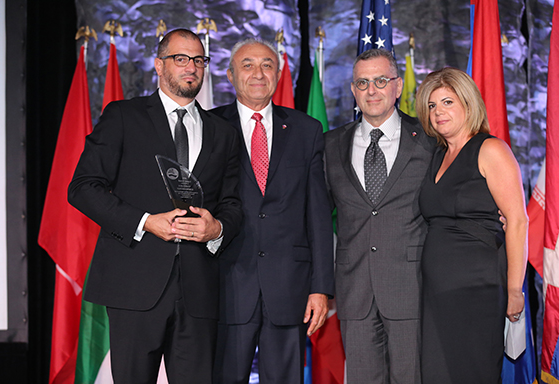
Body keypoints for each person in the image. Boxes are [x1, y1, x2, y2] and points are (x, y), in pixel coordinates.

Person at [68, 29, 242, 383]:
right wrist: (145, 221)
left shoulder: (223, 132)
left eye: (198, 60)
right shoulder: (122, 116)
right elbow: (83, 188)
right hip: (134, 284)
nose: (191, 67)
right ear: (159, 65)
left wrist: (217, 228)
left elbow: (233, 203)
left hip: (200, 290)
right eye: (181, 59)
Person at [211, 38, 334, 384]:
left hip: (290, 286)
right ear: (231, 74)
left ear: (278, 75)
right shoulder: (210, 127)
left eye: (267, 64)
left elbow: (319, 215)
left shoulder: (306, 130)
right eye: (247, 65)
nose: (258, 73)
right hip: (227, 283)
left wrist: (320, 287)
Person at [323, 48, 435, 384]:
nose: (372, 90)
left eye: (380, 81)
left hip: (411, 289)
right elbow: (314, 215)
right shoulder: (330, 145)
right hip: (353, 292)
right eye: (363, 82)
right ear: (354, 90)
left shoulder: (429, 141)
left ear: (398, 86)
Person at [415, 67, 528, 383]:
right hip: (436, 294)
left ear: (468, 103)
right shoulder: (438, 155)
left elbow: (517, 221)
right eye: (432, 106)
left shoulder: (491, 149)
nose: (439, 112)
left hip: (476, 290)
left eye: (448, 102)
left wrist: (515, 289)